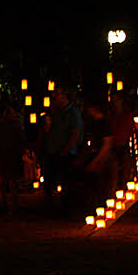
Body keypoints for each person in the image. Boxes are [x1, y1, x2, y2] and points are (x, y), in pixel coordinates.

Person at [42, 87, 83, 215]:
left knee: (65, 182)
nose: (54, 97)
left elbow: (75, 133)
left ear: (64, 96)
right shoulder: (54, 112)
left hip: (65, 152)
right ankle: (53, 207)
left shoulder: (72, 112)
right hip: (53, 151)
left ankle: (66, 209)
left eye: (57, 94)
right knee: (49, 181)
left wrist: (66, 150)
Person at [0, 99, 24, 214]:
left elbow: (19, 138)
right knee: (3, 181)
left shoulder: (12, 124)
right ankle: (4, 203)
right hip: (2, 153)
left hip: (9, 153)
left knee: (10, 180)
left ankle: (11, 205)